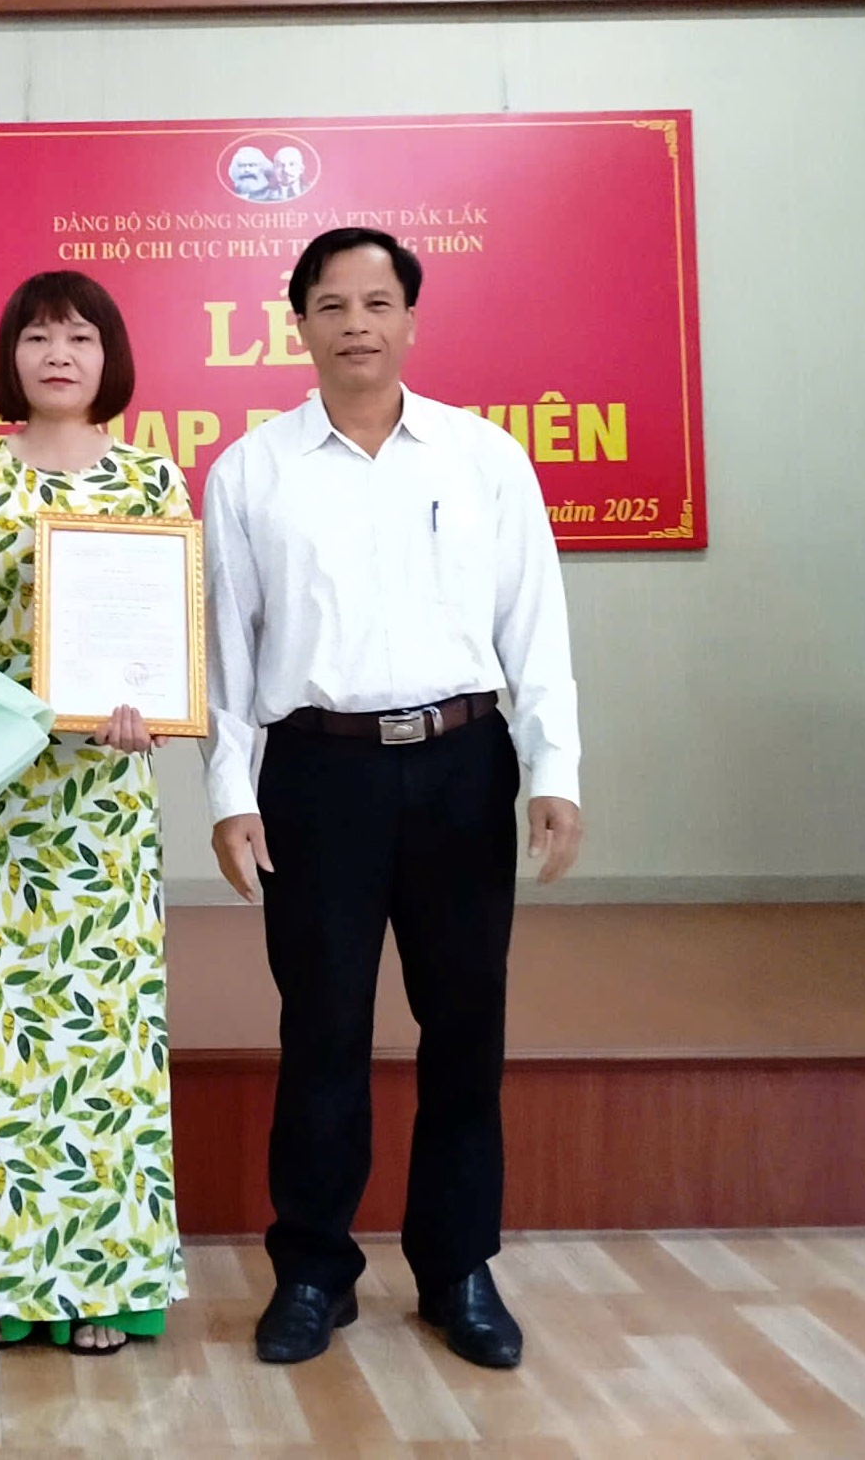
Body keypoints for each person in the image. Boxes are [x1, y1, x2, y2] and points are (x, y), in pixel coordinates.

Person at [200, 227, 582, 1372]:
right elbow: (226, 651)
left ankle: (457, 1267)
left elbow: (536, 624)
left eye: (376, 303)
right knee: (321, 1030)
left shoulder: (481, 458)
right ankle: (313, 1271)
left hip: (463, 765)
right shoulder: (250, 471)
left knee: (465, 1026)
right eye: (331, 305)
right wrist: (228, 792)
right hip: (317, 775)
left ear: (411, 319)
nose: (355, 324)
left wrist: (554, 770)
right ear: (298, 325)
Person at [0, 270, 191, 1356]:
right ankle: (2, 1281)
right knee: (0, 1033)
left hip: (103, 806)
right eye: (39, 336)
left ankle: (104, 1287)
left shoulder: (153, 481)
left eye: (80, 337)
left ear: (111, 358)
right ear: (10, 357)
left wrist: (156, 702)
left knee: (101, 1043)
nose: (59, 354)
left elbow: (174, 633)